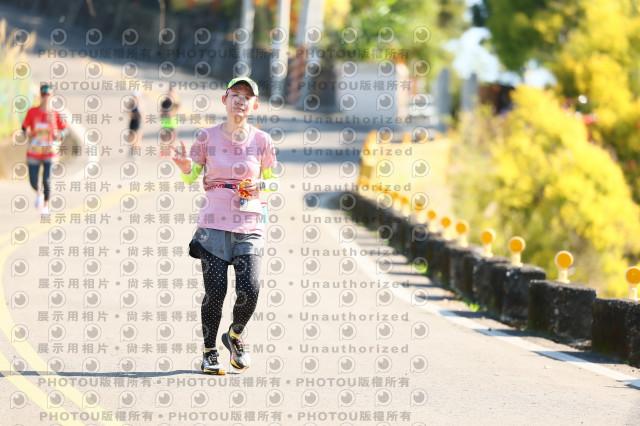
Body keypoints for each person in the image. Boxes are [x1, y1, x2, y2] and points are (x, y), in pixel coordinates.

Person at [170, 77, 280, 375]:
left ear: (254, 104)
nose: (241, 100)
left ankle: (234, 335)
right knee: (216, 292)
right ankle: (209, 353)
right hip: (214, 224)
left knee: (250, 289)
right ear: (225, 99)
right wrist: (185, 168)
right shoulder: (206, 137)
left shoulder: (262, 140)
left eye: (247, 96)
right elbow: (192, 176)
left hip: (250, 224)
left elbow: (274, 182)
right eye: (236, 94)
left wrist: (260, 184)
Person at [21, 84, 68, 217]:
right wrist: (25, 133)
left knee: (46, 180)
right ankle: (39, 193)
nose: (46, 97)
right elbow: (24, 126)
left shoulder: (55, 114)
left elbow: (65, 129)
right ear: (40, 96)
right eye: (43, 94)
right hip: (34, 151)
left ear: (52, 96)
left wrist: (60, 134)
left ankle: (46, 206)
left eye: (48, 94)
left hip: (50, 152)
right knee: (33, 181)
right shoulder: (32, 112)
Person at [160, 87, 180, 154]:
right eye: (170, 92)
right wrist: (164, 114)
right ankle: (163, 149)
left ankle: (171, 149)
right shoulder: (165, 101)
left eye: (173, 92)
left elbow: (178, 109)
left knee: (173, 134)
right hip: (166, 120)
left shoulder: (176, 101)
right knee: (164, 134)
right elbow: (162, 110)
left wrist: (173, 114)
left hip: (173, 120)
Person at [128, 90, 144, 161]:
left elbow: (143, 113)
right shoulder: (132, 104)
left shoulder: (141, 104)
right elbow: (128, 113)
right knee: (132, 137)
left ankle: (136, 152)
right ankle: (132, 149)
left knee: (138, 137)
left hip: (138, 122)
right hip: (133, 122)